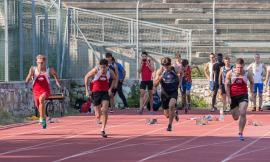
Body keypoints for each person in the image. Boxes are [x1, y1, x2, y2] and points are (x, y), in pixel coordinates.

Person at [25, 54, 61, 129]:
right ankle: (43, 118)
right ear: (36, 62)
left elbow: (55, 74)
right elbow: (28, 77)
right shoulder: (33, 69)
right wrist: (27, 81)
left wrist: (57, 82)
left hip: (45, 91)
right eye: (38, 62)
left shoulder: (49, 69)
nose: (40, 64)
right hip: (36, 91)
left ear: (44, 62)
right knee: (39, 107)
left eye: (41, 63)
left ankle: (41, 118)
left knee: (41, 99)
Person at [84, 59, 117, 138]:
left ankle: (103, 129)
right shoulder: (96, 70)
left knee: (104, 110)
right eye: (101, 67)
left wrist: (110, 89)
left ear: (107, 66)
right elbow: (86, 77)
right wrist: (87, 90)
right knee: (98, 115)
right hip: (96, 92)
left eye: (104, 68)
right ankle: (98, 117)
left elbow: (115, 79)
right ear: (99, 66)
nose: (103, 70)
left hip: (105, 92)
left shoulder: (110, 71)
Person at [225, 58, 254, 141]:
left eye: (241, 67)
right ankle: (236, 113)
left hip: (243, 95)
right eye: (238, 67)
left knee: (243, 112)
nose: (239, 69)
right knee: (235, 117)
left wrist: (251, 93)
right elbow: (226, 85)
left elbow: (252, 82)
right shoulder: (230, 73)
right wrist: (228, 97)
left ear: (243, 66)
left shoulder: (247, 74)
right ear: (235, 67)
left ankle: (240, 133)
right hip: (233, 97)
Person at [154, 57, 179, 131]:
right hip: (164, 93)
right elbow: (154, 84)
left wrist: (179, 83)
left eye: (167, 66)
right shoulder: (160, 71)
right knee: (166, 115)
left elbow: (182, 73)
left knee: (171, 105)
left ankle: (170, 125)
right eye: (164, 65)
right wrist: (160, 78)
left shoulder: (174, 69)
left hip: (173, 92)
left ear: (170, 64)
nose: (166, 67)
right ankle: (174, 113)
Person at [138, 51, 155, 124]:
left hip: (150, 80)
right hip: (143, 80)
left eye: (145, 56)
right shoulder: (140, 61)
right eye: (142, 56)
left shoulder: (150, 61)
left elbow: (153, 70)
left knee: (150, 95)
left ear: (147, 56)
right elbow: (139, 71)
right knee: (142, 94)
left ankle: (151, 108)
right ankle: (141, 108)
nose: (144, 58)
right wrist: (141, 64)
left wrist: (148, 64)